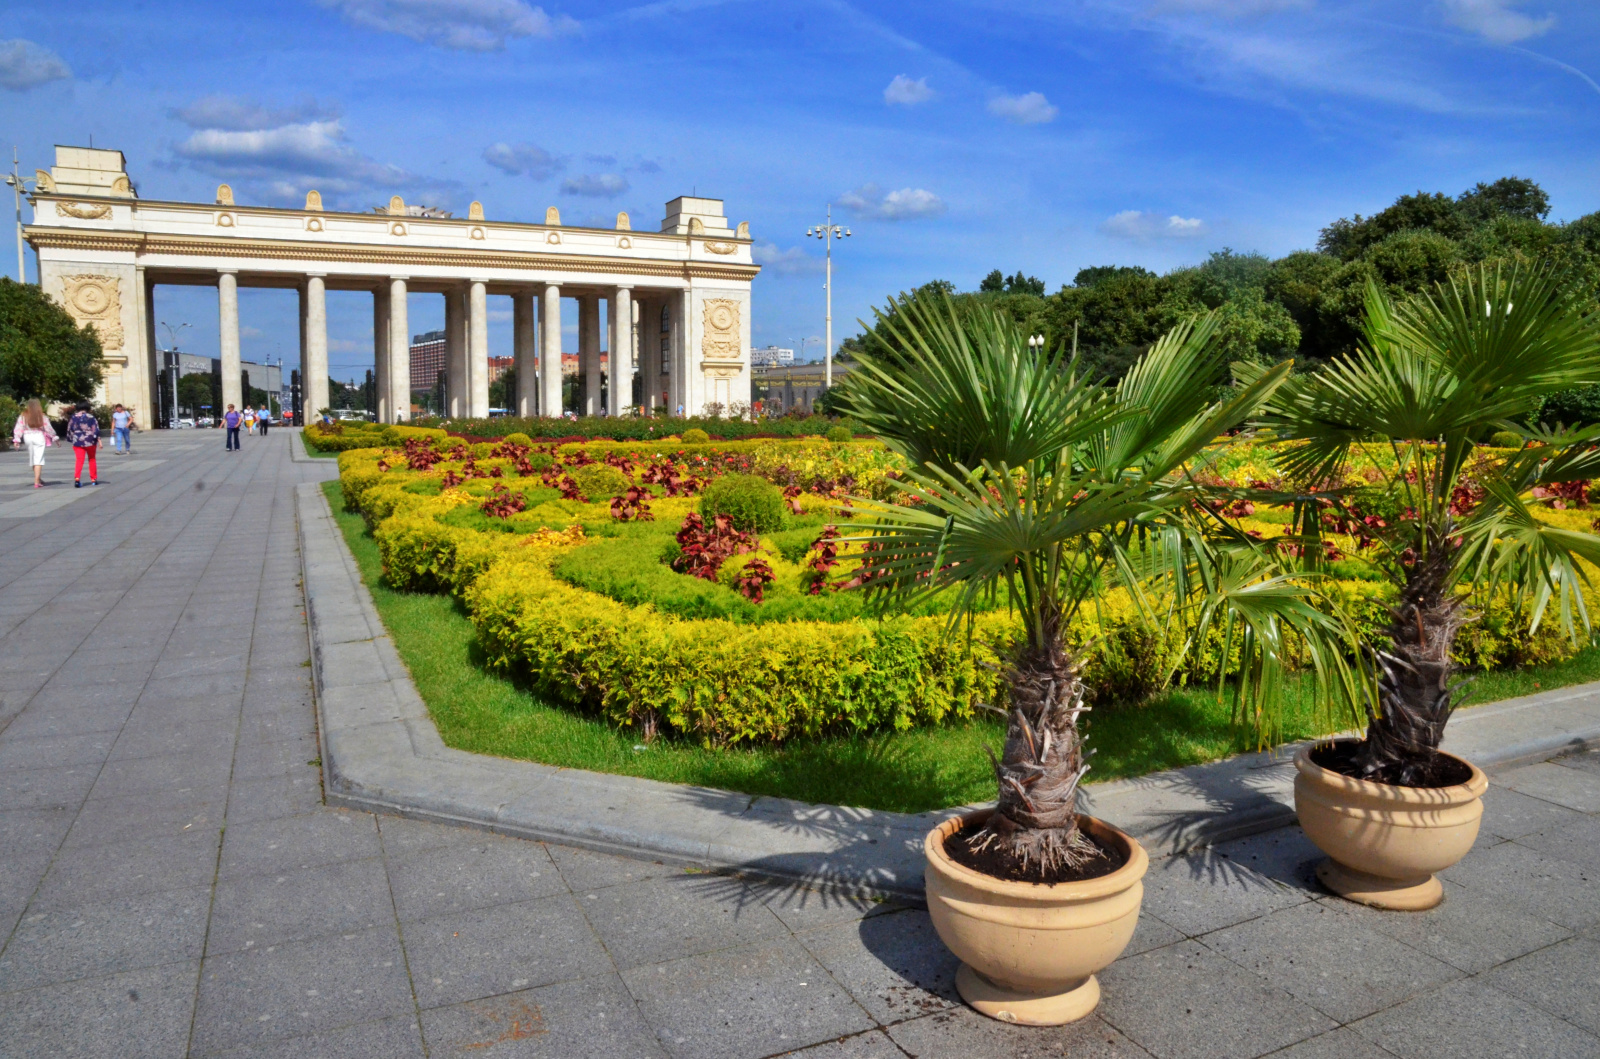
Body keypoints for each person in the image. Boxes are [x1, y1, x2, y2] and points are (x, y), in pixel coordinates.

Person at [12, 398, 58, 488]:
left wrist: (17, 440)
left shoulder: (23, 416)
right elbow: (48, 428)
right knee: (39, 459)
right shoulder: (42, 416)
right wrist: (54, 437)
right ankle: (37, 481)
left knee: (33, 458)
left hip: (27, 436)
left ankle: (38, 478)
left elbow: (18, 428)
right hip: (38, 436)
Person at [66, 401, 100, 488]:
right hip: (90, 441)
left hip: (78, 441)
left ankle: (77, 479)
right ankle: (94, 479)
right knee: (92, 459)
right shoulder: (91, 417)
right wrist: (96, 438)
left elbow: (70, 429)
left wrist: (71, 439)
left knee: (79, 460)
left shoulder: (73, 417)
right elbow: (96, 429)